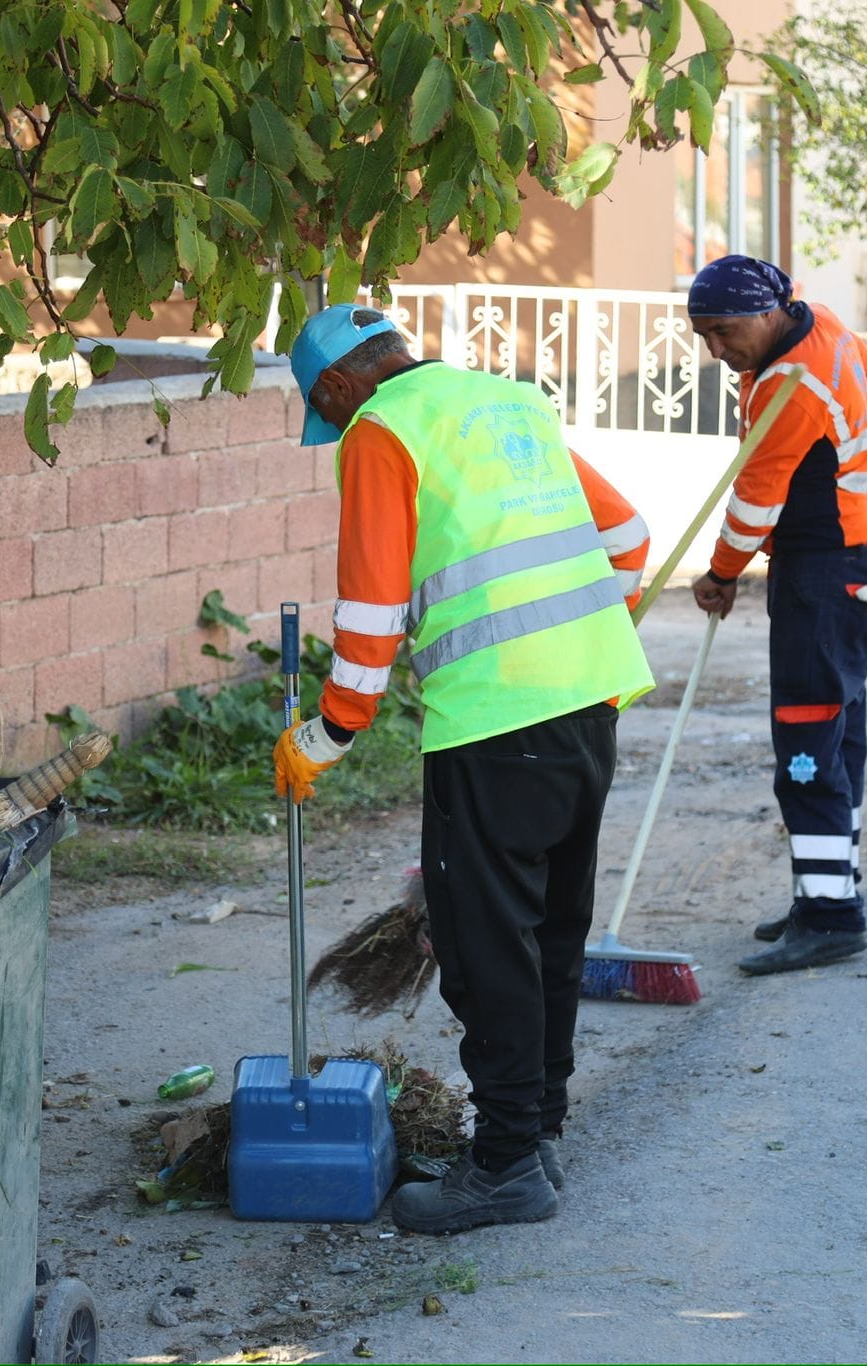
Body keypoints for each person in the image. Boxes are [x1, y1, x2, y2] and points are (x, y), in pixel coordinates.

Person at [272, 305, 655, 1234]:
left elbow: (370, 622)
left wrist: (324, 736)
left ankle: (507, 1167)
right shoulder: (508, 402)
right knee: (552, 932)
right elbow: (630, 538)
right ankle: (537, 1134)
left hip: (494, 723)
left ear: (336, 387)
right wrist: (570, 654)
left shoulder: (378, 433)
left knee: (488, 952)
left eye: (328, 410)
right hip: (587, 706)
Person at [685, 255, 867, 977]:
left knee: (805, 748)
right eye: (703, 337)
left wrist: (719, 575)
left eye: (724, 333)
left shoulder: (787, 385)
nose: (717, 352)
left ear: (768, 312)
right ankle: (823, 890)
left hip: (823, 572)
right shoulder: (823, 325)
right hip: (857, 560)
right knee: (837, 740)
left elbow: (755, 500)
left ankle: (833, 916)